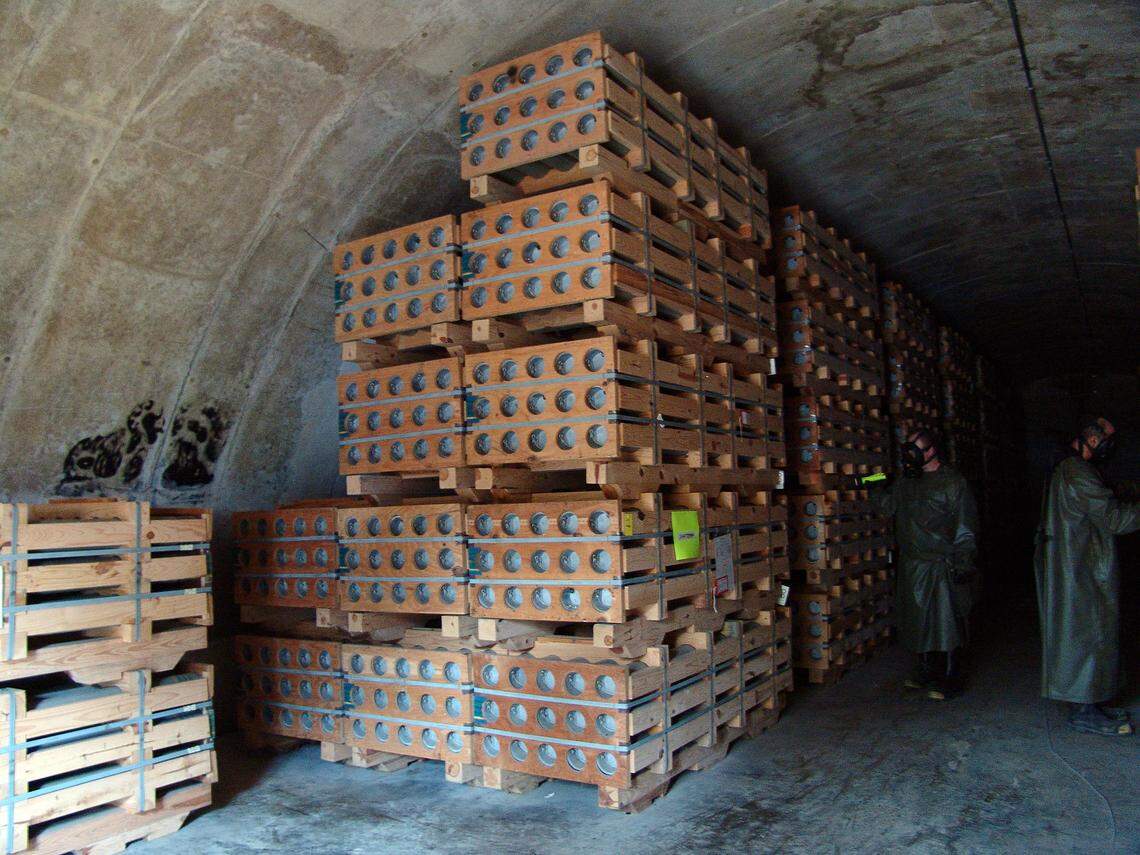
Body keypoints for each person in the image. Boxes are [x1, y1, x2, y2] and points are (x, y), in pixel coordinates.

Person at [1035, 416, 1140, 736]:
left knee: (1089, 636)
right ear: (1093, 441)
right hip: (1079, 568)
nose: (1111, 445)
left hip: (1077, 564)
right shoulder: (1077, 472)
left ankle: (1091, 702)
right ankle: (1083, 711)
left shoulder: (1071, 469)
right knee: (1086, 637)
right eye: (1108, 438)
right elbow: (1113, 518)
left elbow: (1104, 496)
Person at [864, 429, 979, 700]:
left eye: (916, 449)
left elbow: (966, 527)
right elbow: (887, 505)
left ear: (931, 452)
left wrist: (964, 561)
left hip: (941, 565)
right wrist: (871, 481)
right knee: (917, 621)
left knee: (947, 623)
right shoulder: (906, 482)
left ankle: (951, 675)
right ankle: (926, 669)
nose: (909, 456)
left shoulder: (953, 483)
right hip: (913, 565)